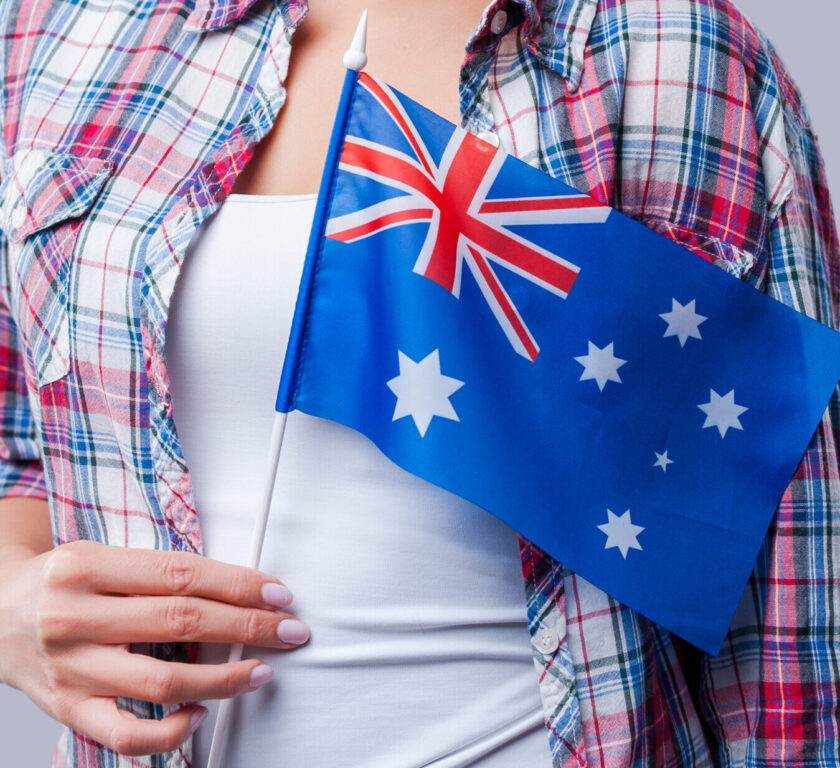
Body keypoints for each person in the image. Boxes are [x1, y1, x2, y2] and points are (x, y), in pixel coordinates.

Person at [0, 0, 837, 766]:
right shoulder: (62, 32)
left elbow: (795, 600)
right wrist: (7, 603)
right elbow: (27, 446)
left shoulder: (675, 48)